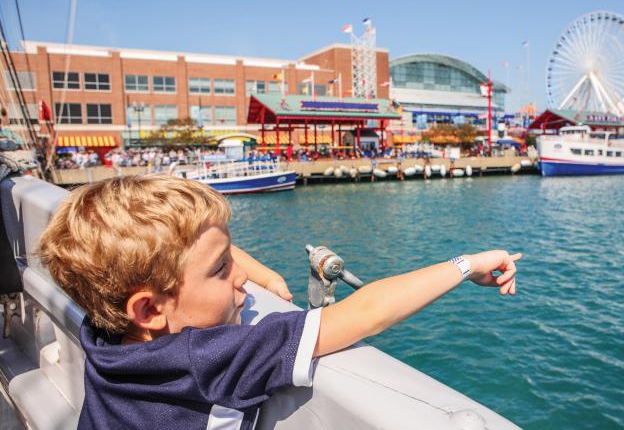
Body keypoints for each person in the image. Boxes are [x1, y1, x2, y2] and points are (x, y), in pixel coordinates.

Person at [37, 175, 521, 429]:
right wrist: (467, 263)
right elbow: (368, 311)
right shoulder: (205, 360)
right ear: (148, 310)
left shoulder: (104, 334)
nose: (242, 275)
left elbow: (176, 257)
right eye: (222, 269)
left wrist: (260, 274)